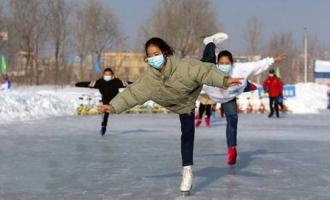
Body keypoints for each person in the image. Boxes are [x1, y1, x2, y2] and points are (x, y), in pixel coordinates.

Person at [97, 37, 242, 194]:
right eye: (150, 56)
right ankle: (186, 169)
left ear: (165, 53)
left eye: (156, 53)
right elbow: (132, 94)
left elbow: (204, 72)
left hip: (188, 99)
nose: (153, 58)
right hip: (178, 104)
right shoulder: (148, 79)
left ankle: (210, 43)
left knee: (207, 62)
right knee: (186, 132)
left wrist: (224, 80)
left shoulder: (184, 66)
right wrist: (113, 106)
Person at [200, 34, 285, 166]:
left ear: (232, 64)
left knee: (233, 119)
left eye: (227, 63)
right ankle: (210, 42)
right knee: (207, 59)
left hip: (229, 97)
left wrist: (272, 59)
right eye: (221, 63)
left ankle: (231, 149)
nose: (224, 65)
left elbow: (257, 65)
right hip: (213, 93)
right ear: (218, 64)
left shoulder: (239, 68)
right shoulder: (211, 69)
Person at [75, 68, 131, 136]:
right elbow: (89, 84)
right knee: (106, 113)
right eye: (106, 74)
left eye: (109, 74)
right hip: (106, 101)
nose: (107, 76)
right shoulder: (100, 82)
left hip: (116, 99)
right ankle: (103, 126)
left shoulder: (117, 81)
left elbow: (129, 84)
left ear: (112, 75)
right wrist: (78, 84)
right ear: (103, 75)